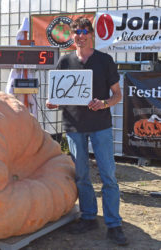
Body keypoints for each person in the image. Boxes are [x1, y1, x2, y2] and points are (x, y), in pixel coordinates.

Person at [46, 17, 129, 246]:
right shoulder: (65, 61)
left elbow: (117, 96)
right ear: (71, 36)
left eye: (84, 31)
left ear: (91, 34)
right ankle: (89, 216)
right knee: (82, 176)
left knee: (108, 176)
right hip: (74, 127)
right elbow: (58, 95)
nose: (80, 36)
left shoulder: (105, 61)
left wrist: (103, 104)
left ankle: (114, 224)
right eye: (76, 32)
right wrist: (52, 102)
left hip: (100, 126)